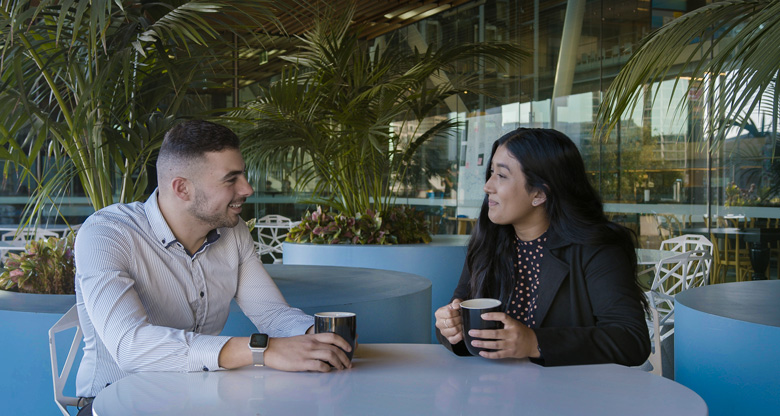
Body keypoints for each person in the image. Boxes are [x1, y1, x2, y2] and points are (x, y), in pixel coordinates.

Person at [73, 120, 352, 415]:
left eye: (242, 175)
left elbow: (272, 314)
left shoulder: (234, 233)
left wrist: (319, 336)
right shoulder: (107, 234)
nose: (247, 188)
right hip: (113, 404)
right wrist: (262, 350)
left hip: (196, 399)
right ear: (182, 188)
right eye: (231, 179)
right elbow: (130, 346)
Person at [435, 128, 650, 366]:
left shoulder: (597, 249)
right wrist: (450, 328)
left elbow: (631, 340)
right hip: (497, 393)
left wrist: (534, 342)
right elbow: (460, 316)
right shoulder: (488, 242)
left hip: (573, 396)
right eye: (491, 173)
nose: (487, 186)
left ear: (539, 193)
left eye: (502, 176)